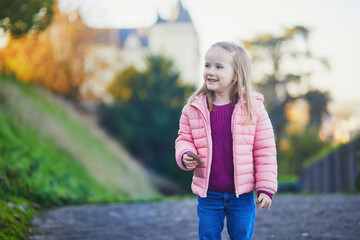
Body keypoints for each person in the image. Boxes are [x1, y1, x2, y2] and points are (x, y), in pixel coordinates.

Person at [175, 41, 278, 240]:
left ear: (236, 75)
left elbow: (264, 150)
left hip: (242, 195)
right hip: (209, 193)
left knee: (241, 236)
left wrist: (266, 187)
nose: (210, 71)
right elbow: (184, 139)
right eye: (207, 65)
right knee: (208, 236)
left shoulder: (253, 109)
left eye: (219, 66)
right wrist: (185, 154)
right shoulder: (193, 108)